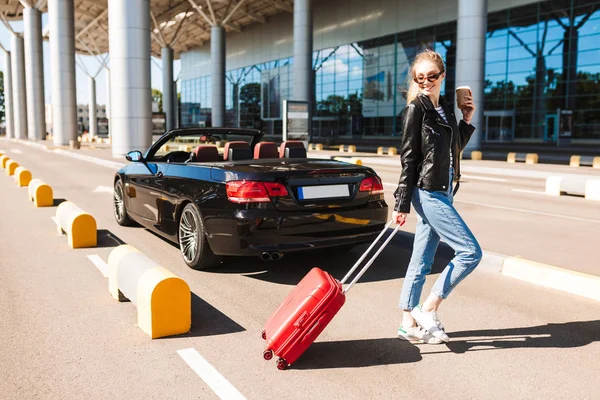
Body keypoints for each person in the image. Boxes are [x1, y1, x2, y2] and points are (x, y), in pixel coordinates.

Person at [393, 49, 482, 344]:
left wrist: (465, 121)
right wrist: (402, 203)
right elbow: (409, 159)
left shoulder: (444, 109)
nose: (426, 82)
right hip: (427, 190)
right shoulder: (414, 110)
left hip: (444, 188)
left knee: (421, 259)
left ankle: (407, 323)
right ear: (415, 80)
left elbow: (449, 149)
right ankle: (428, 309)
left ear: (442, 76)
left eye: (432, 76)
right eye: (420, 78)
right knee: (470, 252)